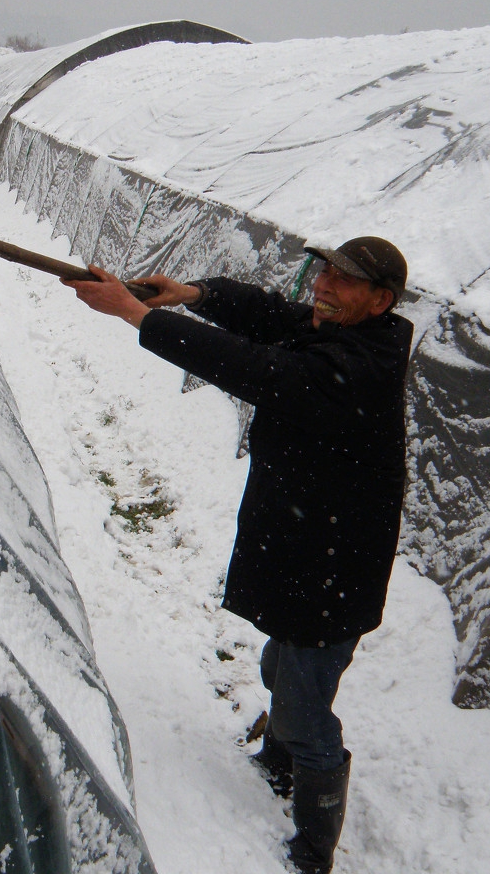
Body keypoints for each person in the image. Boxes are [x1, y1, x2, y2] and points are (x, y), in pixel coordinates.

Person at [63, 237, 413, 874]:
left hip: (335, 565)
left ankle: (314, 842)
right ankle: (279, 767)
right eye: (327, 270)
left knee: (306, 708)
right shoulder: (334, 329)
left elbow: (257, 367)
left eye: (346, 280)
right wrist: (191, 295)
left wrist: (135, 314)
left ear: (380, 301)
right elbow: (266, 314)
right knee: (281, 664)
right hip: (309, 548)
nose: (324, 285)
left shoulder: (357, 368)